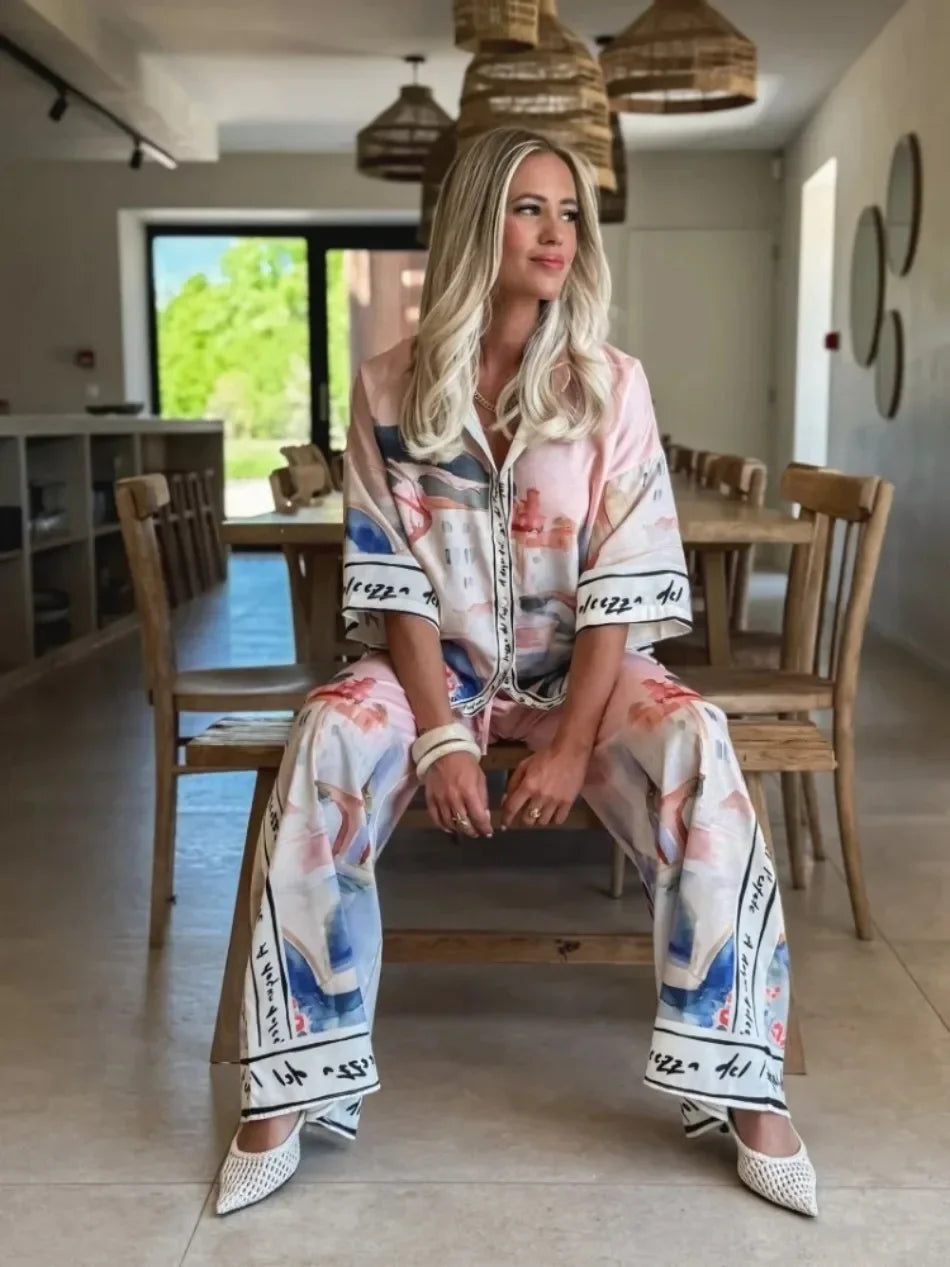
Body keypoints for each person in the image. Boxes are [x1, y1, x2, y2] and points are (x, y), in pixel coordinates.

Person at [216, 127, 817, 1219]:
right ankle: (290, 1087)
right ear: (473, 223)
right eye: (528, 208)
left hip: (582, 665)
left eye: (568, 212)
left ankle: (741, 1088)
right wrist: (443, 733)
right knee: (326, 735)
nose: (554, 233)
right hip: (430, 669)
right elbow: (390, 578)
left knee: (699, 740)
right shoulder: (388, 385)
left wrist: (574, 741)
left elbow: (623, 578)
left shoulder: (608, 384)